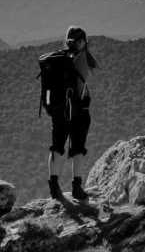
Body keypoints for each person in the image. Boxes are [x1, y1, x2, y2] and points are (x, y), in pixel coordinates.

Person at [48, 26, 98, 200]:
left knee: (57, 147)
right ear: (82, 41)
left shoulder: (58, 59)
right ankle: (77, 187)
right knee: (78, 149)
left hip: (59, 111)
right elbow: (85, 79)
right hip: (79, 110)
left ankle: (54, 186)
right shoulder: (82, 58)